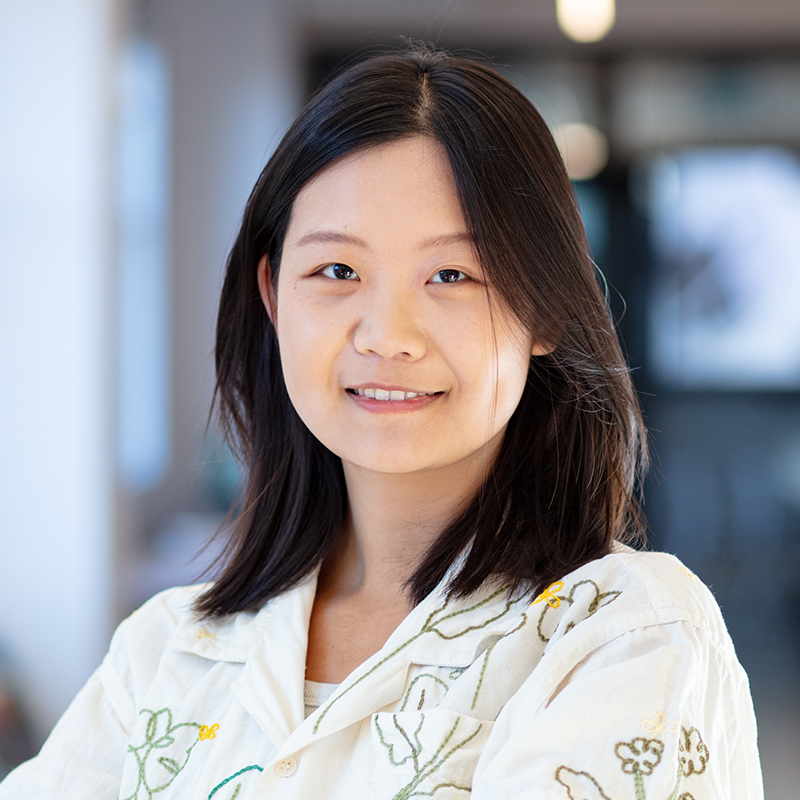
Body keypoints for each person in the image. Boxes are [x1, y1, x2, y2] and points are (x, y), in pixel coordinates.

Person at [0, 45, 762, 799]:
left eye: (453, 275)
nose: (387, 335)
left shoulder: (623, 639)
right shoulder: (166, 650)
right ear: (273, 296)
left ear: (546, 307)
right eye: (337, 272)